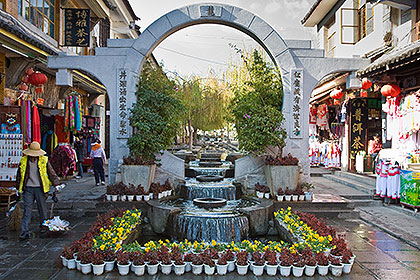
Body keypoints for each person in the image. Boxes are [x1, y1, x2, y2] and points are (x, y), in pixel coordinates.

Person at [16, 141, 59, 240]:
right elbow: (19, 176)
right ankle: (24, 231)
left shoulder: (44, 160)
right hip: (28, 189)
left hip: (41, 188)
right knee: (27, 210)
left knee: (42, 209)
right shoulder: (23, 161)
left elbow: (51, 173)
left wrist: (56, 185)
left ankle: (44, 226)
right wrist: (18, 189)